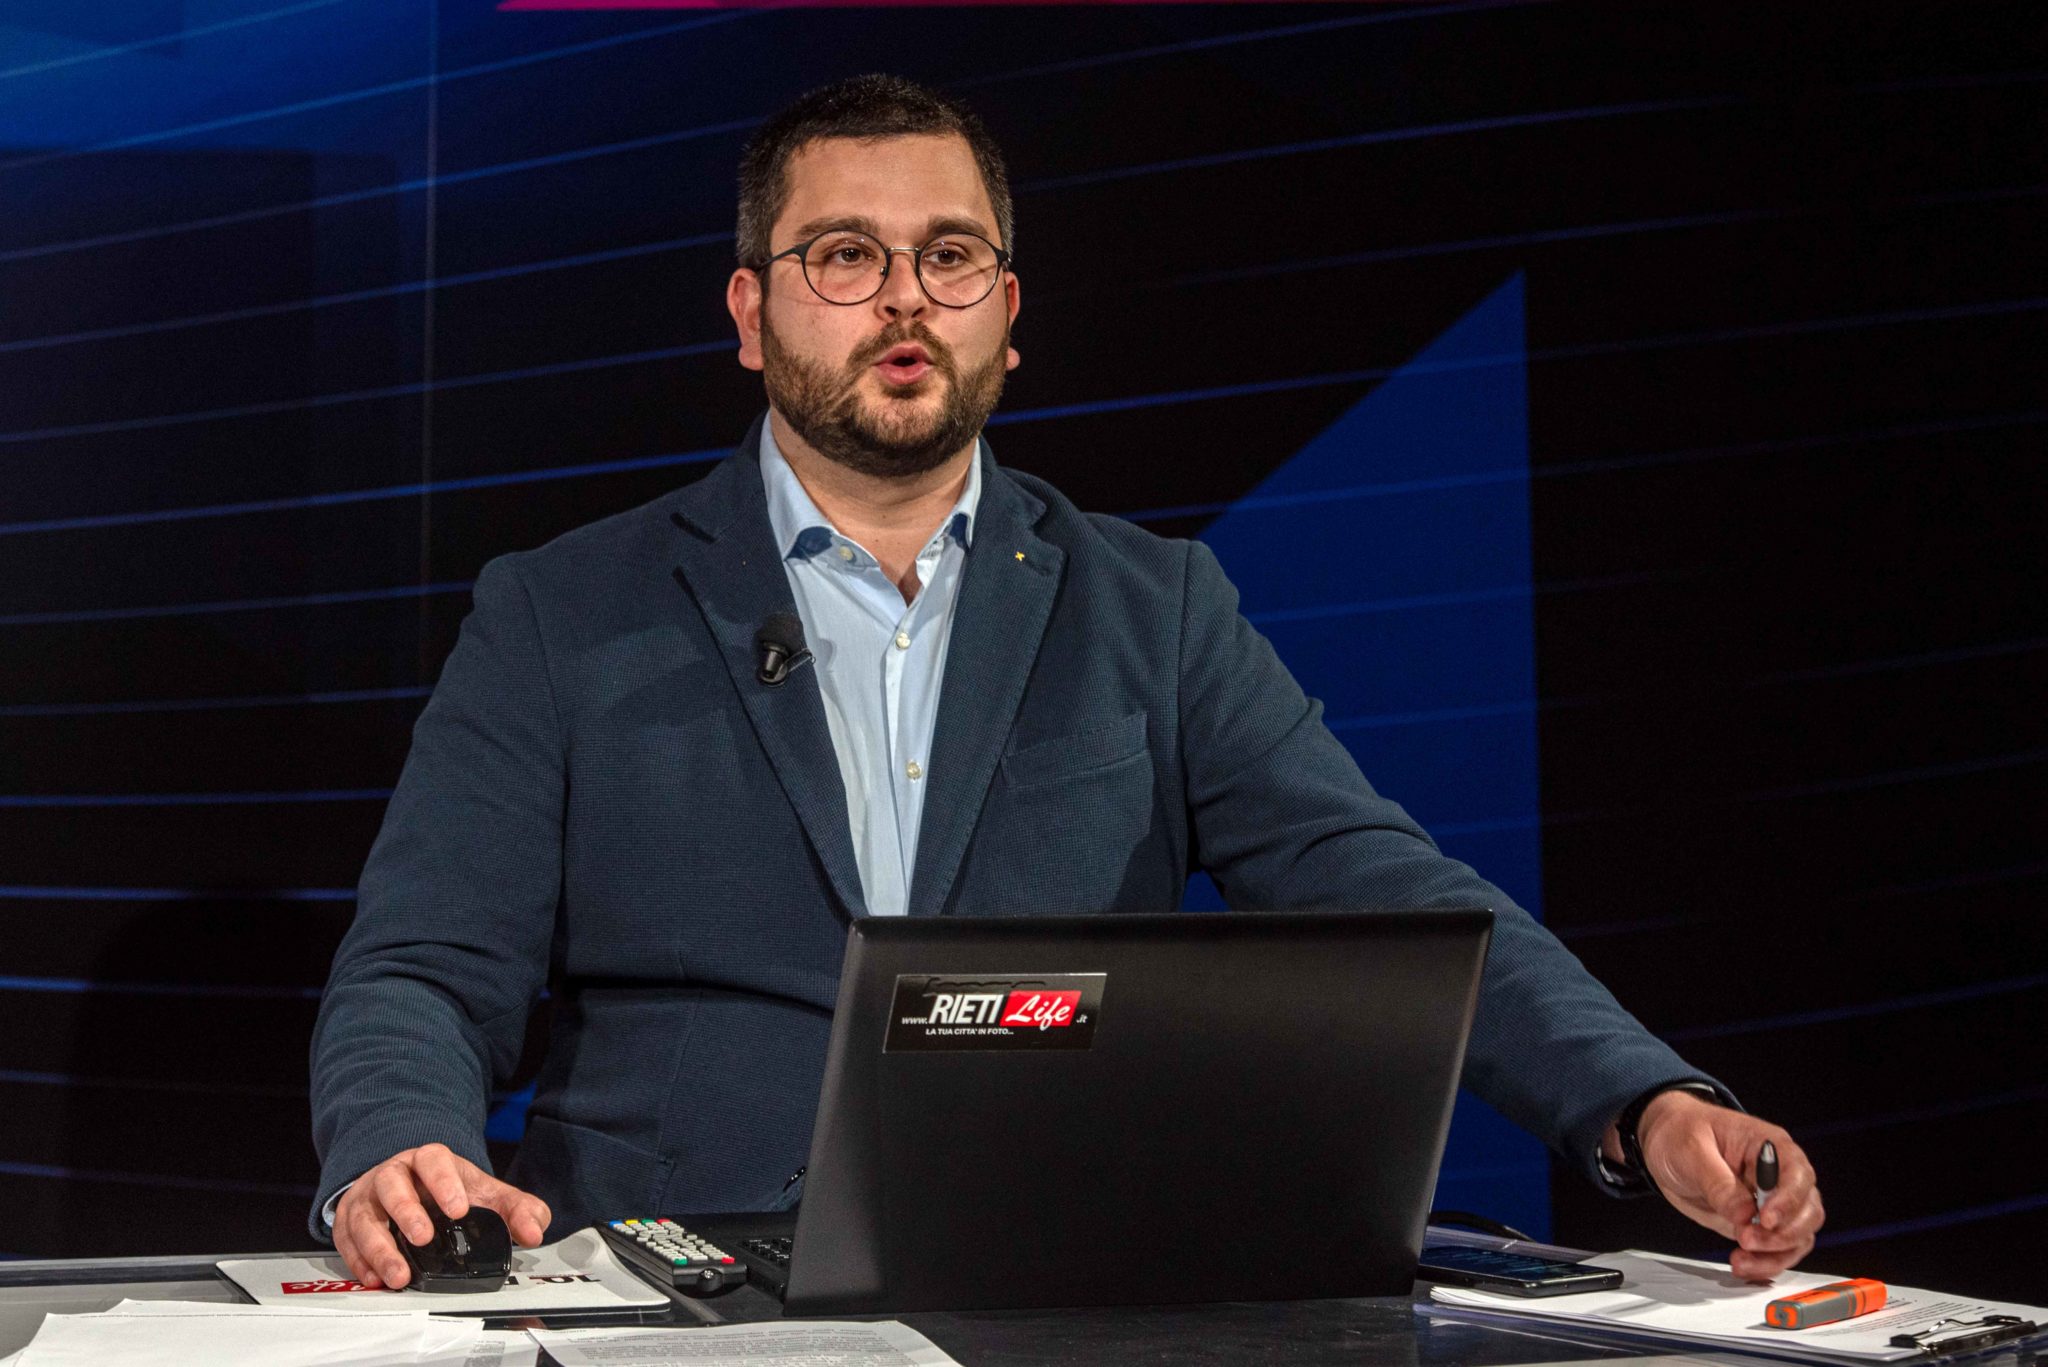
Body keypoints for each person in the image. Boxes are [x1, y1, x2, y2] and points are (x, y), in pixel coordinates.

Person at [311, 74, 1824, 1292]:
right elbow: (424, 967)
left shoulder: (1155, 609)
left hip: (1055, 1291)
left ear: (1009, 315)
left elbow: (1385, 887)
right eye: (845, 256)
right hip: (672, 1290)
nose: (905, 300)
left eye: (950, 256)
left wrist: (1640, 1103)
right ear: (751, 315)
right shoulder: (561, 613)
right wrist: (399, 1147)